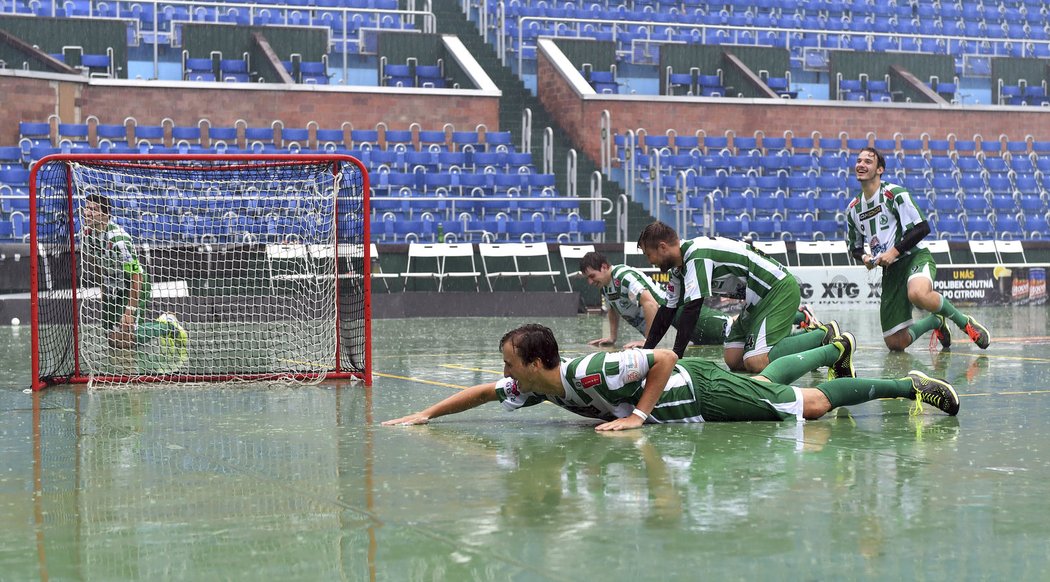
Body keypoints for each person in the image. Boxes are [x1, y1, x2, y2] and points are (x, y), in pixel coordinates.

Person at [382, 323, 959, 431]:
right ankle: (833, 347)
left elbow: (662, 360)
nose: (503, 373)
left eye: (510, 362)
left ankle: (907, 386)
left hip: (700, 388)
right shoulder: (540, 388)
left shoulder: (589, 369)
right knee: (777, 387)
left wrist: (636, 415)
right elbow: (485, 393)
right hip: (696, 397)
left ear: (535, 363)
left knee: (806, 407)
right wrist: (428, 414)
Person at [635, 221, 836, 374]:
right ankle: (804, 330)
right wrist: (646, 353)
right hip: (755, 300)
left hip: (776, 290)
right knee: (734, 358)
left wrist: (674, 357)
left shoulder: (696, 255)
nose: (649, 261)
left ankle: (822, 336)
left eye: (648, 255)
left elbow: (692, 309)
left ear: (662, 247)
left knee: (756, 361)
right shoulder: (679, 269)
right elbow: (667, 312)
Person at [846, 147, 991, 351]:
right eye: (859, 160)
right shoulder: (853, 209)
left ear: (880, 170)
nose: (861, 164)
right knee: (896, 343)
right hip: (890, 271)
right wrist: (864, 257)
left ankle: (964, 322)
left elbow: (922, 228)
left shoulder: (894, 194)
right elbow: (855, 247)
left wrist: (894, 251)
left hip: (914, 257)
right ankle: (935, 322)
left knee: (918, 294)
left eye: (868, 161)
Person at [81, 192, 188, 358]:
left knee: (126, 340)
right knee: (113, 340)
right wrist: (103, 288)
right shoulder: (88, 236)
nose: (87, 213)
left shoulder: (119, 240)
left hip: (132, 285)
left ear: (105, 215)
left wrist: (130, 310)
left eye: (93, 210)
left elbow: (136, 275)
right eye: (86, 208)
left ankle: (168, 325)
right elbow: (96, 263)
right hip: (111, 287)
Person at [578, 251, 732, 349]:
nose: (590, 282)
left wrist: (648, 340)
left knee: (731, 328)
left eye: (592, 276)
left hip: (679, 311)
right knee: (717, 338)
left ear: (604, 267)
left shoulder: (623, 276)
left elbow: (650, 303)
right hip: (679, 322)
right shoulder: (605, 286)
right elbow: (612, 310)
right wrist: (612, 337)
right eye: (587, 279)